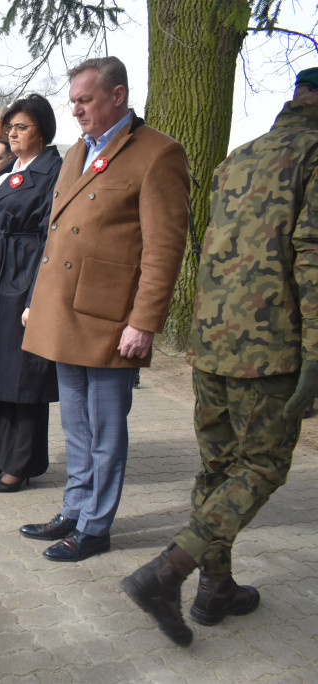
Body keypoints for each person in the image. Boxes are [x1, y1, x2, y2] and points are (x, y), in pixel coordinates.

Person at [120, 66, 318, 647]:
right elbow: (311, 255)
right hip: (272, 349)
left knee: (218, 468)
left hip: (213, 339)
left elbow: (211, 243)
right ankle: (167, 573)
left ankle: (216, 589)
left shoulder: (240, 156)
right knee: (259, 468)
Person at [19, 56, 190, 562]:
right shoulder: (77, 152)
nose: (75, 110)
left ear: (117, 96)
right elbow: (53, 239)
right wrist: (36, 303)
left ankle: (95, 528)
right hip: (65, 312)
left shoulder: (158, 154)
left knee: (105, 430)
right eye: (72, 101)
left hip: (111, 318)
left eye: (85, 100)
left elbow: (164, 248)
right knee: (75, 426)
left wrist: (144, 321)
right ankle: (74, 509)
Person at [0, 95, 63, 493]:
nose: (13, 134)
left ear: (43, 130)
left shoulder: (54, 171)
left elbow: (51, 239)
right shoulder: (12, 169)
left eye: (22, 127)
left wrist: (35, 296)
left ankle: (20, 464)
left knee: (24, 377)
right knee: (0, 372)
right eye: (11, 128)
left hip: (21, 277)